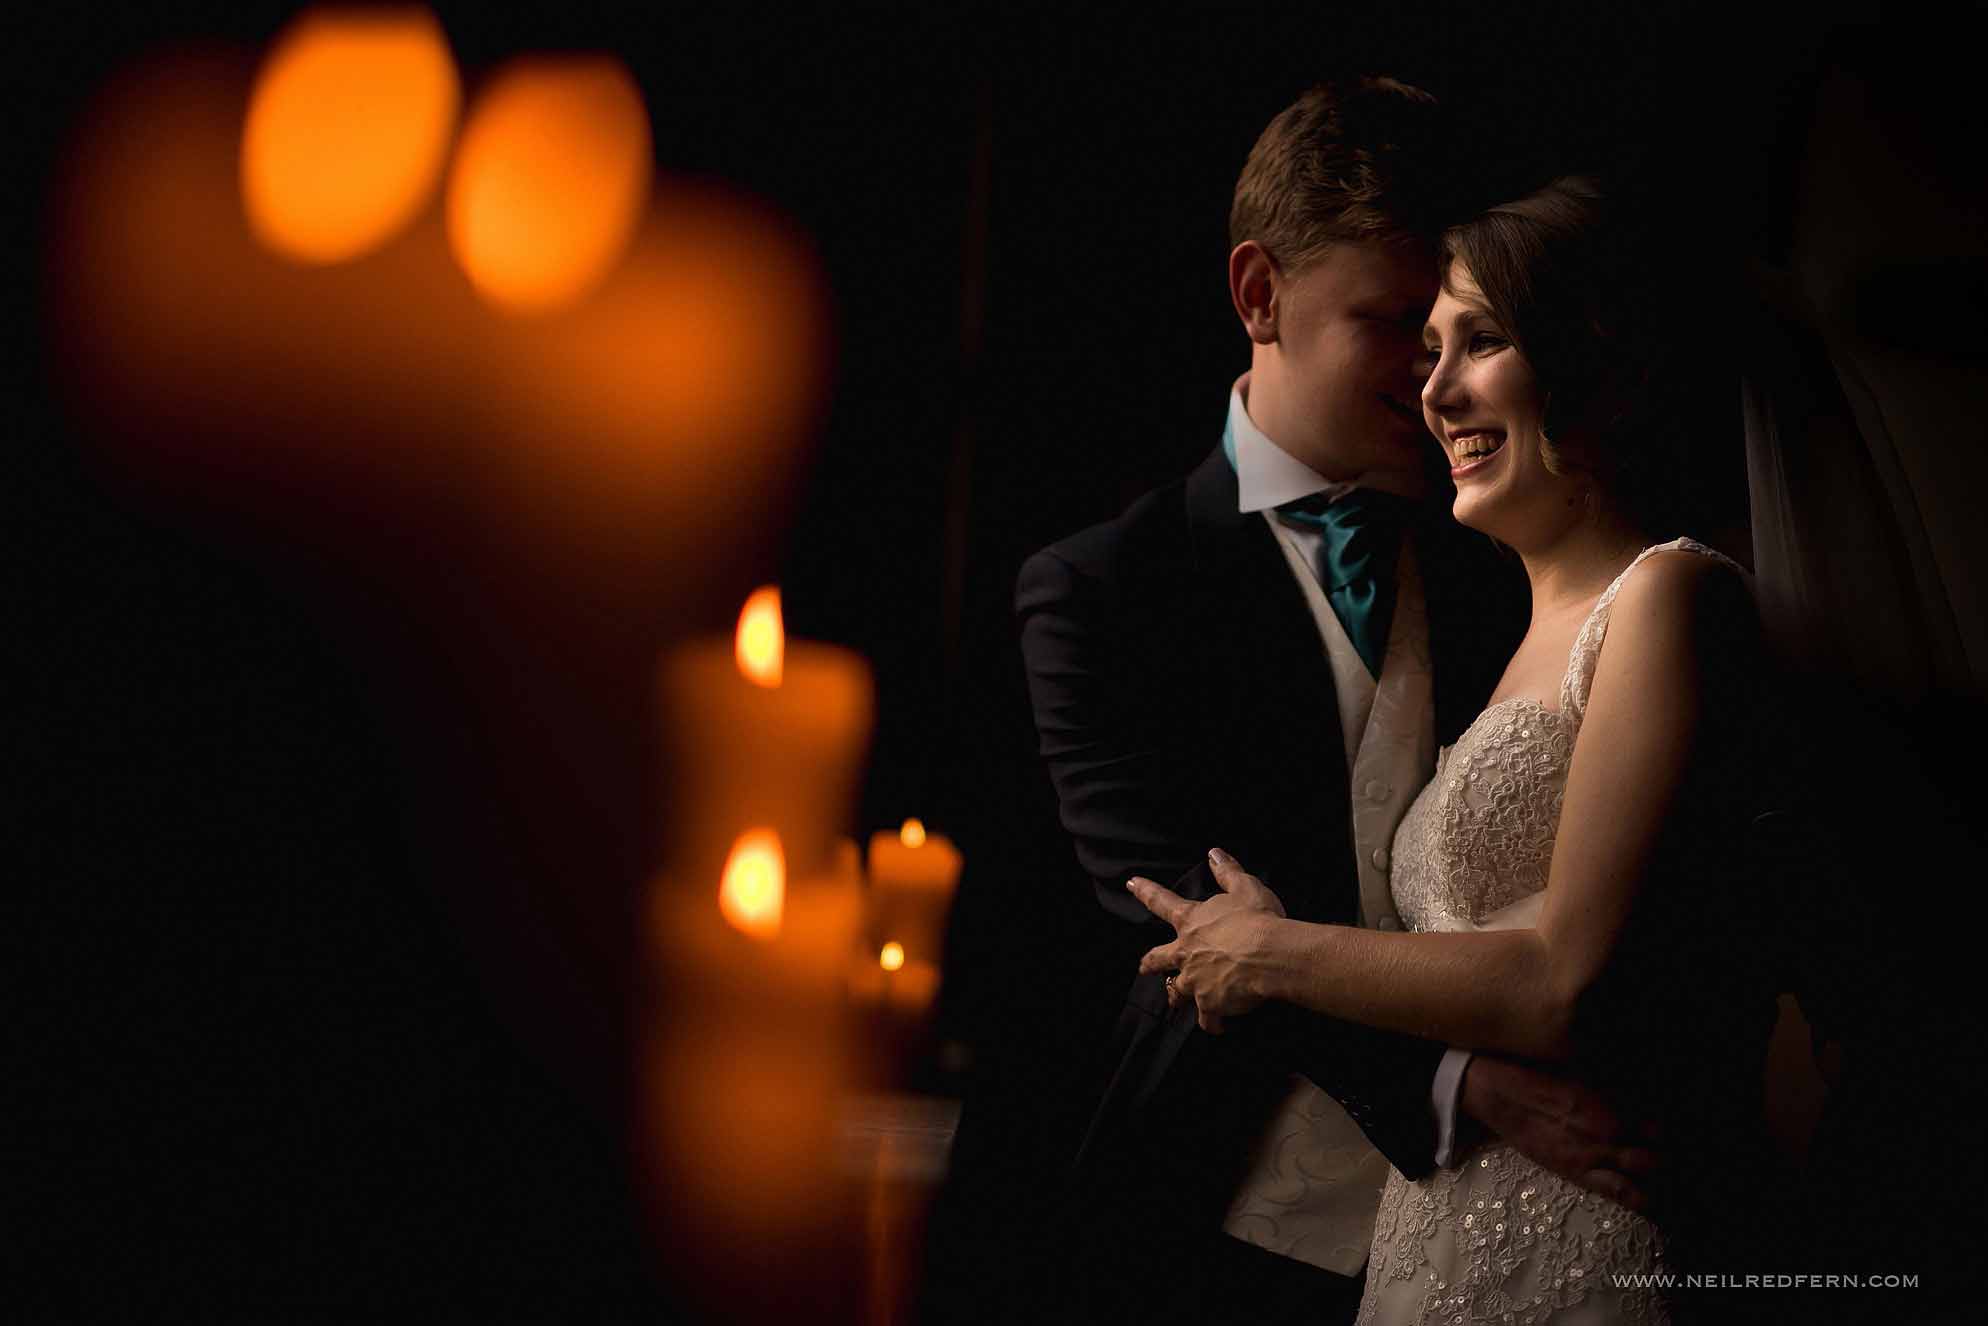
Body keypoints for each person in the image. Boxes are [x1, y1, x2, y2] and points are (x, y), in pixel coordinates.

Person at [1017, 84, 1667, 1326]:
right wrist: (1462, 1083)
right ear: (1257, 294)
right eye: (1388, 326)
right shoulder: (1097, 592)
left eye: (1449, 333)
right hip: (1214, 1224)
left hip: (1521, 1218)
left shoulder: (1515, 556)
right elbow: (1188, 927)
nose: (1429, 377)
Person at [1129, 177, 1783, 1324]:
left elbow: (1559, 981)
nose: (1431, 391)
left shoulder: (1667, 597)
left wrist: (1271, 949)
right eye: (1424, 346)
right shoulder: (1520, 636)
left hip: (1582, 1249)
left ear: (1591, 358)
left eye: (1477, 340)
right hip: (1432, 1246)